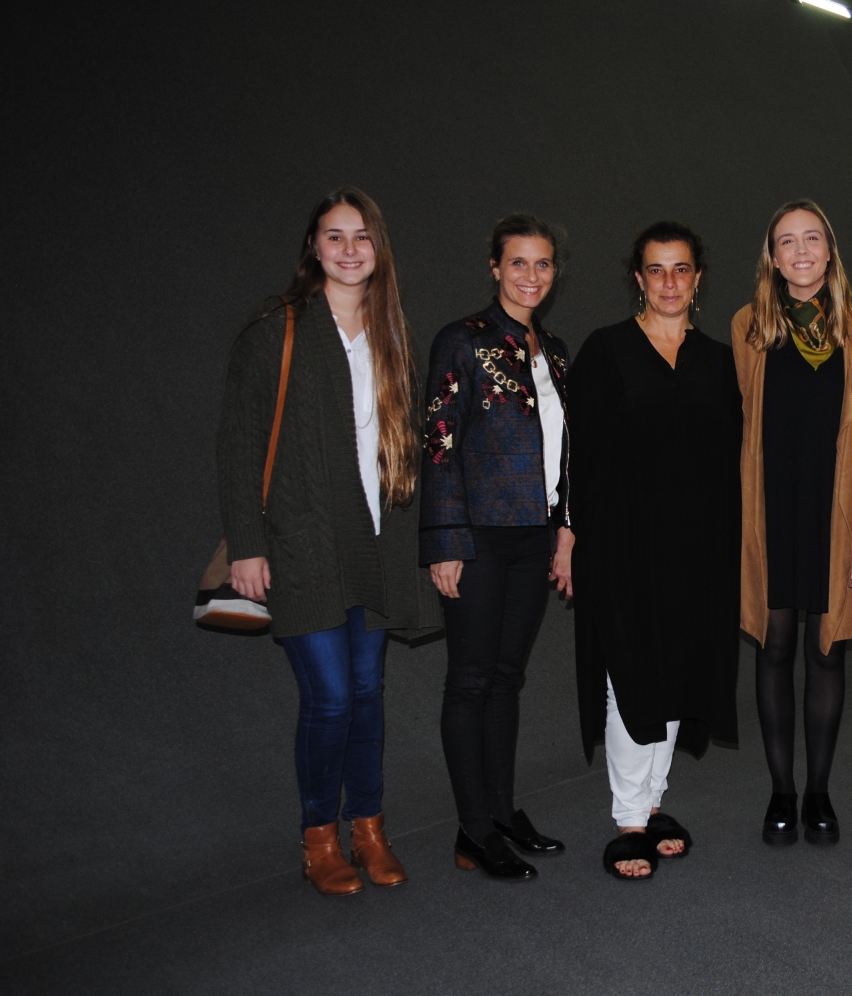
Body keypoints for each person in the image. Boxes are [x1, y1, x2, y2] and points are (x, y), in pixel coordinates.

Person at [218, 187, 441, 896]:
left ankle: (369, 829)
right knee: (333, 698)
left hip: (377, 543)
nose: (349, 250)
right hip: (306, 544)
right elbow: (238, 444)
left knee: (370, 693)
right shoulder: (276, 328)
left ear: (379, 250)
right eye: (334, 236)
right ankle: (320, 836)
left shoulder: (391, 333)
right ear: (312, 248)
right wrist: (248, 544)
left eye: (362, 237)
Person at [561, 222, 743, 880]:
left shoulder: (720, 360)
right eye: (656, 269)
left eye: (681, 269)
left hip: (697, 549)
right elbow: (572, 453)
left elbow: (735, 461)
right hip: (620, 543)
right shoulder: (605, 352)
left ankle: (653, 801)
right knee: (630, 675)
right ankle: (628, 819)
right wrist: (567, 532)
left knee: (674, 676)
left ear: (698, 280)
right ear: (637, 278)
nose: (669, 281)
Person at [732, 199, 852, 847]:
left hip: (836, 514)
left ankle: (818, 793)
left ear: (829, 251)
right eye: (786, 241)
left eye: (812, 239)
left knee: (825, 649)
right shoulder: (747, 327)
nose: (800, 251)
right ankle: (780, 790)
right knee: (774, 647)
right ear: (772, 258)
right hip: (771, 511)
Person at [420, 214, 573, 881]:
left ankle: (503, 812)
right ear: (494, 267)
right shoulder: (462, 340)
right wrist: (445, 541)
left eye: (542, 264)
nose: (531, 276)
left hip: (533, 538)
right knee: (471, 678)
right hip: (478, 538)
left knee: (508, 677)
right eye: (518, 263)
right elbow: (438, 445)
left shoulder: (555, 352)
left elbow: (569, 454)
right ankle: (473, 829)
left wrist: (565, 530)